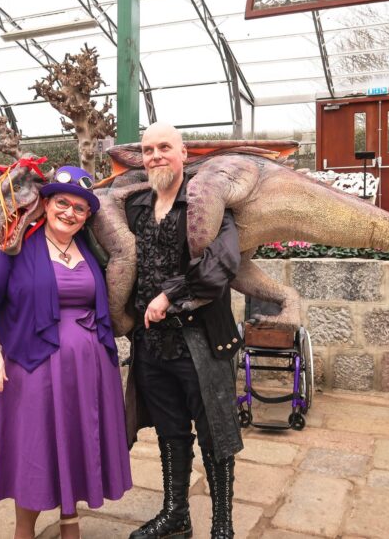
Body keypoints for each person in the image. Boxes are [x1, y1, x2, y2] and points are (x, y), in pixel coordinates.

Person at [0, 166, 132, 539]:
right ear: (46, 202)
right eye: (63, 202)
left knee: (76, 441)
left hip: (90, 369)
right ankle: (23, 530)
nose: (70, 213)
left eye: (80, 207)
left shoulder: (91, 249)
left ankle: (69, 520)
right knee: (34, 446)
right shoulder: (14, 243)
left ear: (88, 214)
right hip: (34, 366)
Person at [125, 123, 243, 539]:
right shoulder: (136, 206)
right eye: (147, 150)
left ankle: (222, 526)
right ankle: (176, 514)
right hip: (152, 345)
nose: (155, 155)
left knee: (216, 434)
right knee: (169, 430)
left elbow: (221, 266)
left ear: (184, 154)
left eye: (164, 148)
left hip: (201, 340)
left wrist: (168, 296)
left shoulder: (205, 201)